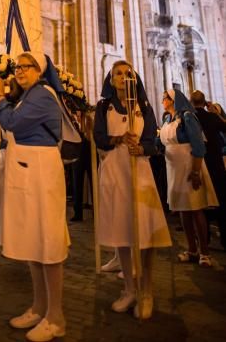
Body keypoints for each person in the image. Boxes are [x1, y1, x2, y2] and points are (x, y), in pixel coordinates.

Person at [0, 51, 69, 342]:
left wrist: (0, 98)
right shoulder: (28, 95)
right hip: (28, 169)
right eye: (18, 66)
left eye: (28, 66)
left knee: (48, 242)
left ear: (41, 70)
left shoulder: (41, 95)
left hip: (41, 171)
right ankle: (40, 307)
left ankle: (57, 317)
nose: (21, 71)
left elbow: (12, 123)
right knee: (33, 242)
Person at [93, 61, 171, 320]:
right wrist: (117, 139)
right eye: (118, 73)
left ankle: (146, 291)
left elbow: (153, 141)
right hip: (115, 172)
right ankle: (129, 289)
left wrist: (143, 148)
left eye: (128, 73)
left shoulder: (144, 108)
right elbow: (99, 137)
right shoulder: (104, 106)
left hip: (139, 172)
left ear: (134, 79)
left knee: (145, 234)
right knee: (122, 233)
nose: (123, 77)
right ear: (111, 78)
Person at [159, 89, 218, 266]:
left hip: (189, 165)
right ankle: (192, 249)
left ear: (173, 100)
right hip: (174, 169)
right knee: (183, 209)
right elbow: (159, 142)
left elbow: (199, 145)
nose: (163, 100)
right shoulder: (166, 119)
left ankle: (205, 253)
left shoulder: (188, 117)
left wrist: (195, 171)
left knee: (196, 208)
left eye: (165, 98)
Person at [190, 90, 226, 250]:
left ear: (191, 102)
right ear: (204, 102)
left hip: (199, 163)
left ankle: (204, 239)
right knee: (221, 201)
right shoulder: (211, 117)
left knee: (201, 202)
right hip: (215, 163)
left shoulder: (190, 119)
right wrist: (214, 112)